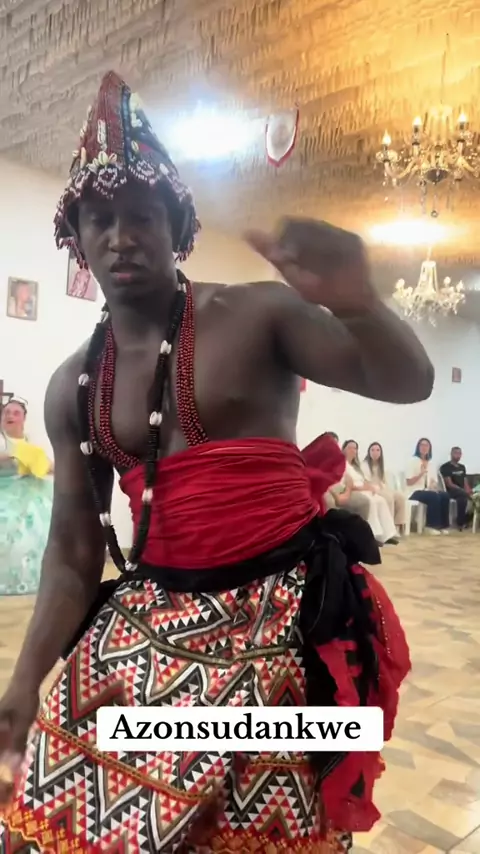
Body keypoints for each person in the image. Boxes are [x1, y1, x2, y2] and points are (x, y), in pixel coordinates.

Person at [0, 71, 433, 854]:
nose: (120, 236)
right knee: (62, 806)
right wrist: (24, 683)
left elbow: (407, 381)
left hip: (279, 611)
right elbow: (71, 552)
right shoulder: (75, 383)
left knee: (257, 826)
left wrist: (358, 301)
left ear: (178, 226)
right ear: (75, 237)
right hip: (152, 613)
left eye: (142, 216)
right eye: (100, 220)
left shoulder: (256, 313)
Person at [0, 398, 53, 595]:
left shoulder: (29, 443)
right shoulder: (2, 440)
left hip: (31, 493)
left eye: (16, 413)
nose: (10, 416)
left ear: (23, 418)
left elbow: (46, 466)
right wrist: (12, 456)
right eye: (6, 412)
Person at [342, 440, 398, 544]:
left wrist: (369, 487)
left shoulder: (355, 466)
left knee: (381, 500)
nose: (352, 450)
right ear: (344, 449)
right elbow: (346, 484)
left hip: (363, 489)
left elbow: (363, 480)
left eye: (355, 448)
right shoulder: (342, 465)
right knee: (371, 502)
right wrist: (364, 488)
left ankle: (387, 534)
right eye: (349, 448)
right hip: (353, 491)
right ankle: (373, 535)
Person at [406, 438, 450, 535]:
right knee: (433, 496)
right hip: (414, 491)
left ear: (429, 448)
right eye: (422, 445)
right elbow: (409, 482)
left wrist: (433, 486)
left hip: (427, 490)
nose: (424, 447)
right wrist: (421, 474)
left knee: (444, 495)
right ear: (418, 447)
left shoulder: (431, 463)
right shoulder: (413, 461)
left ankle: (442, 526)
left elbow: (434, 481)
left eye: (426, 445)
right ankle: (430, 526)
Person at [364, 442, 406, 532]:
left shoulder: (381, 466)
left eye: (377, 450)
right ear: (369, 452)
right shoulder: (365, 465)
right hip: (372, 489)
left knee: (400, 497)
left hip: (382, 488)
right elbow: (366, 482)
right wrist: (377, 486)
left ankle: (398, 524)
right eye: (372, 450)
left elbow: (384, 482)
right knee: (388, 497)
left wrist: (383, 486)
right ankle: (389, 528)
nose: (375, 452)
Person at [439, 446, 472, 530]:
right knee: (463, 495)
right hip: (451, 491)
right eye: (456, 453)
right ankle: (461, 523)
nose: (458, 455)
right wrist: (462, 490)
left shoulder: (462, 467)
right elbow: (449, 484)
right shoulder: (445, 467)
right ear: (451, 454)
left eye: (459, 453)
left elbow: (465, 481)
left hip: (461, 493)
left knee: (473, 498)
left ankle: (463, 521)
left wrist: (468, 490)